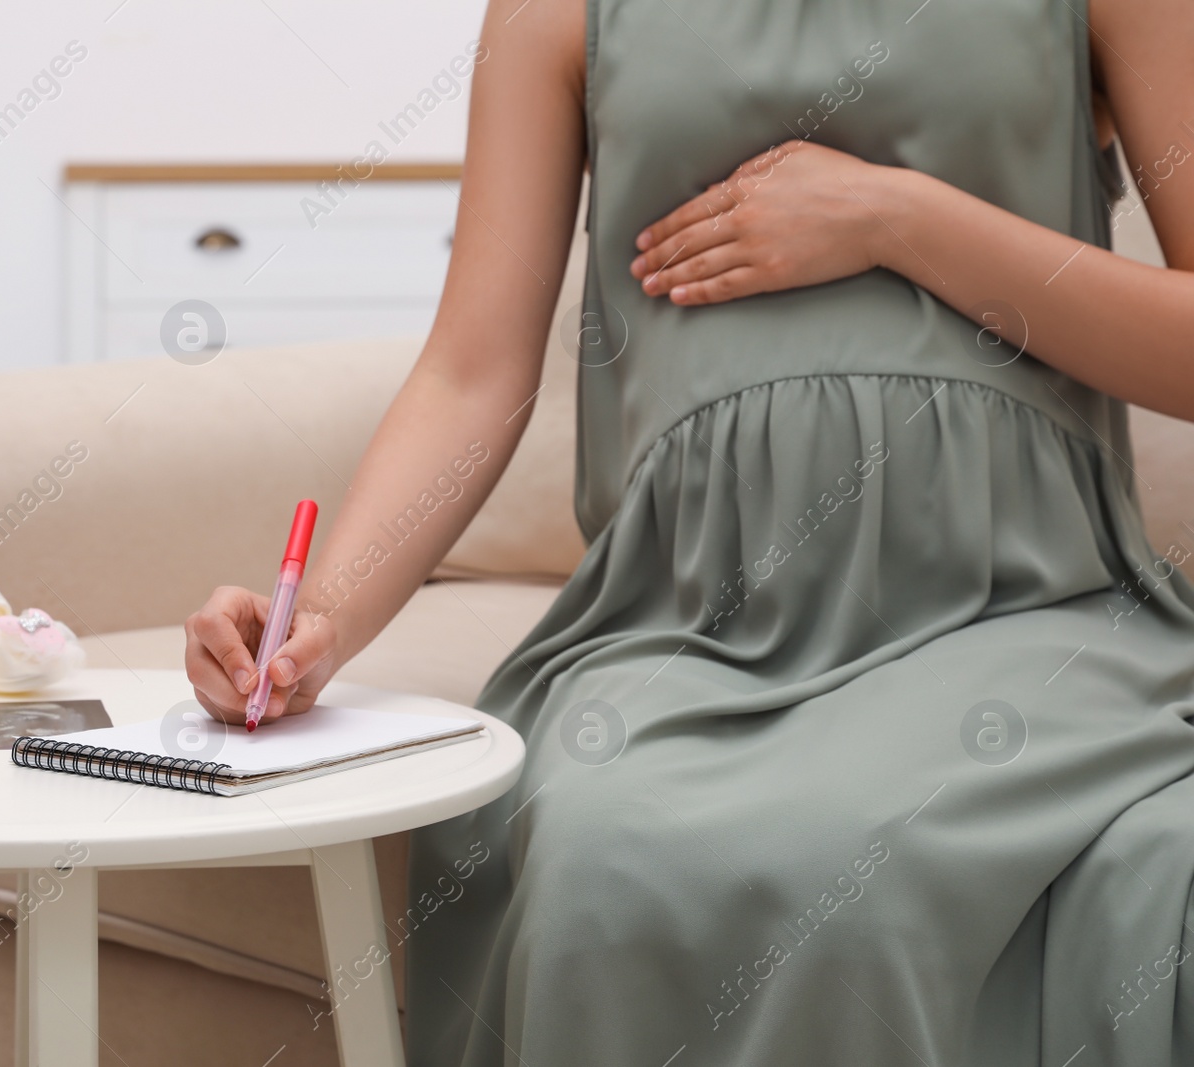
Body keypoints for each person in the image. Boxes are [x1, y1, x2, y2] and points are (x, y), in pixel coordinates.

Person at [185, 0, 1194, 1060]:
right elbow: (470, 373)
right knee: (604, 854)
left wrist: (895, 218)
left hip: (1017, 608)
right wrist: (318, 623)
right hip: (687, 630)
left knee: (882, 868)